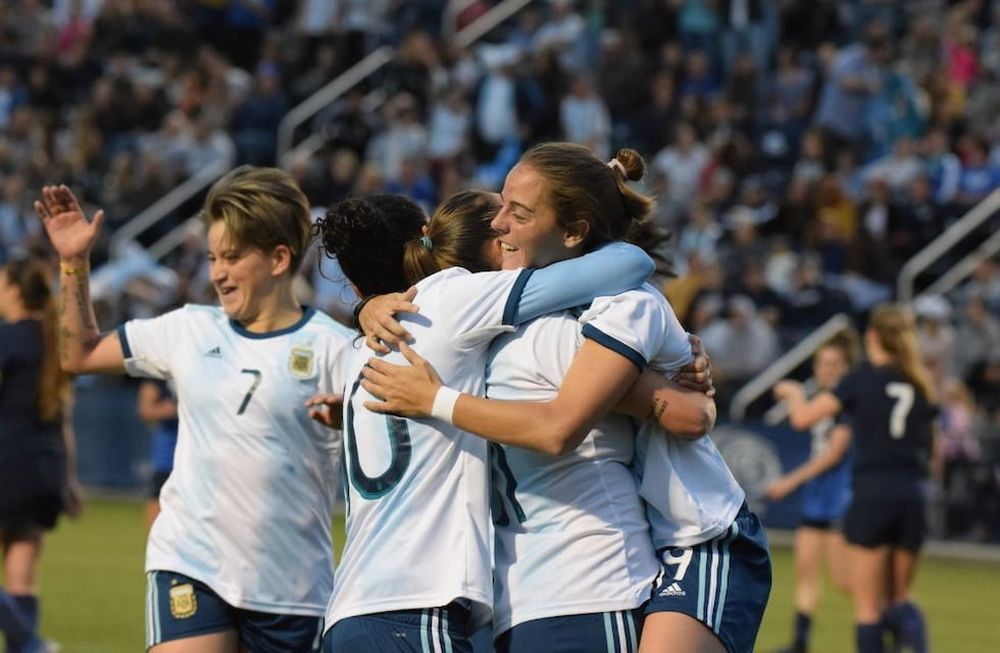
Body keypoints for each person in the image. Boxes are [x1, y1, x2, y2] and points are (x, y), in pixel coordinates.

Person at [359, 143, 769, 653]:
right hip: (570, 573)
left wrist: (437, 400)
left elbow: (688, 415)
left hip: (694, 534)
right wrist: (371, 307)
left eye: (518, 213)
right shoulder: (488, 337)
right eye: (499, 208)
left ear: (572, 232)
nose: (500, 225)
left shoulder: (607, 311)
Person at [314, 188, 687, 652]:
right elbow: (630, 264)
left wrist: (363, 307)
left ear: (354, 287)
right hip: (415, 607)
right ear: (423, 242)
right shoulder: (450, 299)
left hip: (352, 606)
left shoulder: (367, 341)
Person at [33, 168, 353, 653]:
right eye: (211, 258)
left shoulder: (336, 348)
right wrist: (74, 263)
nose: (216, 273)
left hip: (294, 588)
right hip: (191, 563)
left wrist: (349, 419)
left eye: (231, 257)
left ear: (278, 258)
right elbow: (79, 354)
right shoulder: (188, 329)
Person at [777, 305, 940, 653]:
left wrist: (792, 396)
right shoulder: (919, 382)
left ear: (872, 337)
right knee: (900, 598)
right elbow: (935, 450)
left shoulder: (861, 380)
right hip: (913, 495)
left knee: (867, 608)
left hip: (872, 494)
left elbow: (803, 419)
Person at [0, 256, 80, 653]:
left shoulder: (7, 339)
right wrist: (69, 479)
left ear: (14, 290)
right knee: (22, 574)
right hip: (47, 468)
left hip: (8, 463)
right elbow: (65, 416)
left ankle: (27, 641)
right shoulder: (56, 341)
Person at [768, 331, 861, 653]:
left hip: (840, 500)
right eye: (822, 363)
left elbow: (833, 454)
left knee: (845, 581)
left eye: (835, 364)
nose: (827, 370)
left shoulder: (845, 403)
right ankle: (800, 643)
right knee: (805, 571)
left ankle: (888, 622)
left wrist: (794, 394)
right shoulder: (826, 400)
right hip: (817, 499)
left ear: (847, 367)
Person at [136, 379, 178, 533]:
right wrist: (177, 409)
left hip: (198, 460)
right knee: (157, 529)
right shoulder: (161, 373)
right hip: (167, 459)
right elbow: (146, 410)